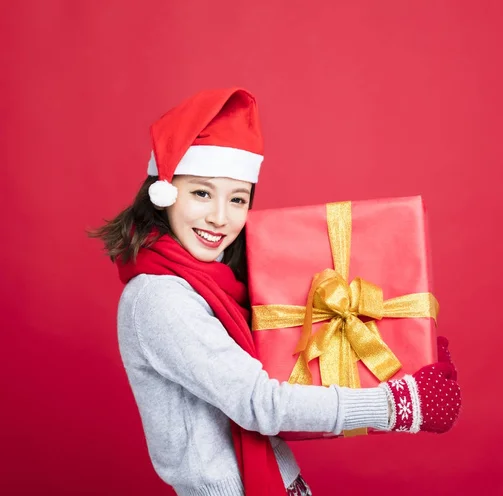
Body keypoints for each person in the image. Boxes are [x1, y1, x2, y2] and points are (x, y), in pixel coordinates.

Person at [90, 87, 462, 496]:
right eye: (201, 192)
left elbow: (282, 368)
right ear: (164, 195)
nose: (219, 217)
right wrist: (397, 404)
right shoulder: (160, 298)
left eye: (237, 199)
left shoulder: (212, 286)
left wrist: (407, 353)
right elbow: (261, 404)